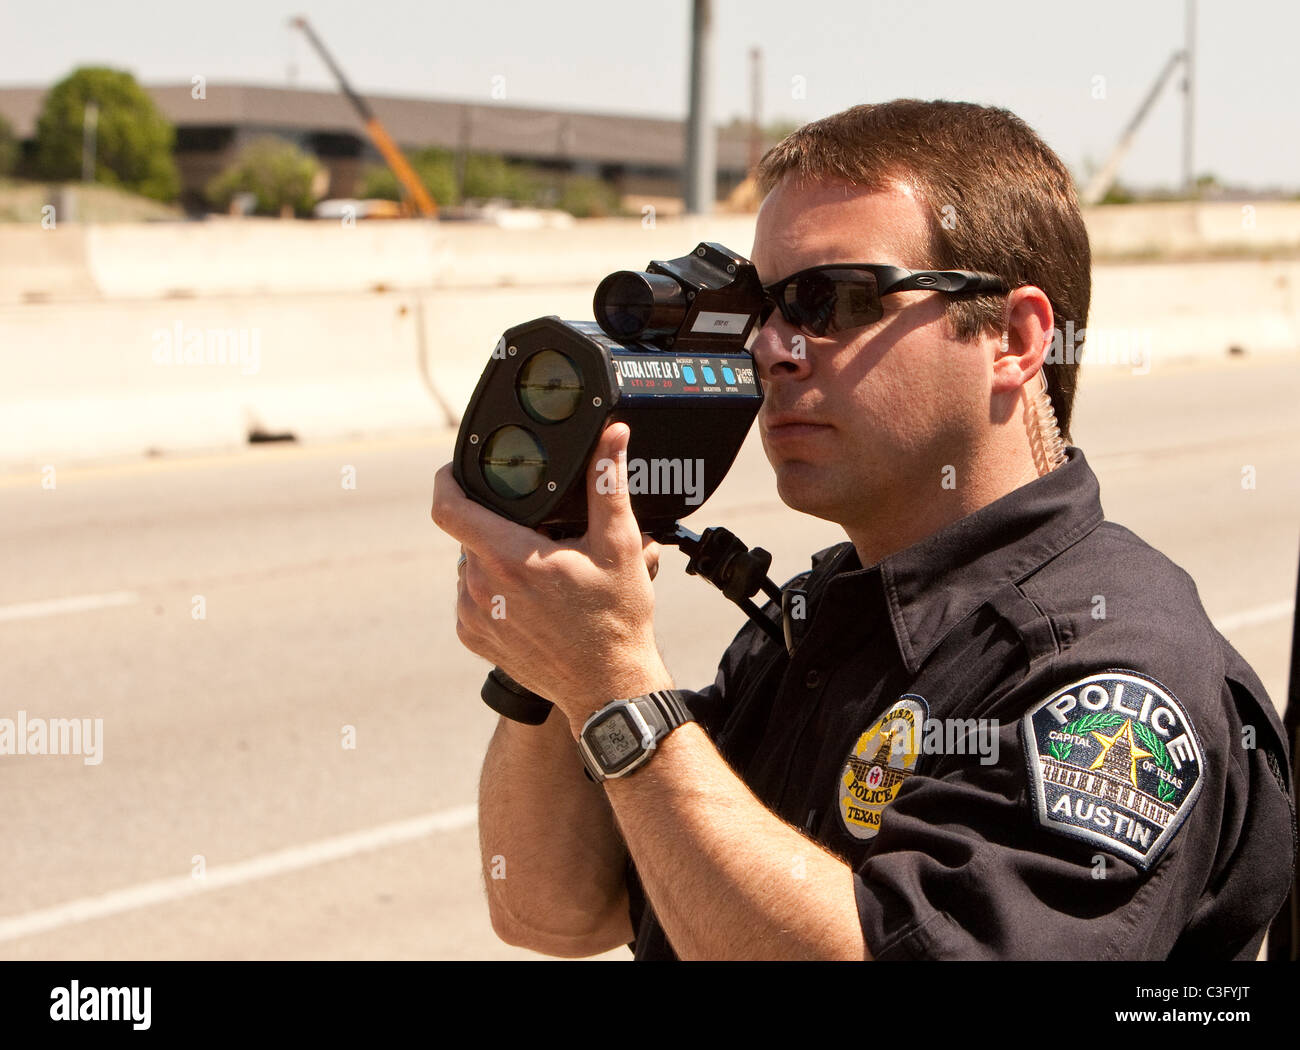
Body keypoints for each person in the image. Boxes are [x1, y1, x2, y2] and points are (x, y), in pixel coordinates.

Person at [431, 99, 1296, 960]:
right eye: (762, 307)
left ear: (1016, 337)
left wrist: (616, 685)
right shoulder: (827, 615)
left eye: (832, 301)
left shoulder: (1112, 675)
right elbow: (551, 910)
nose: (774, 346)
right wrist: (550, 669)